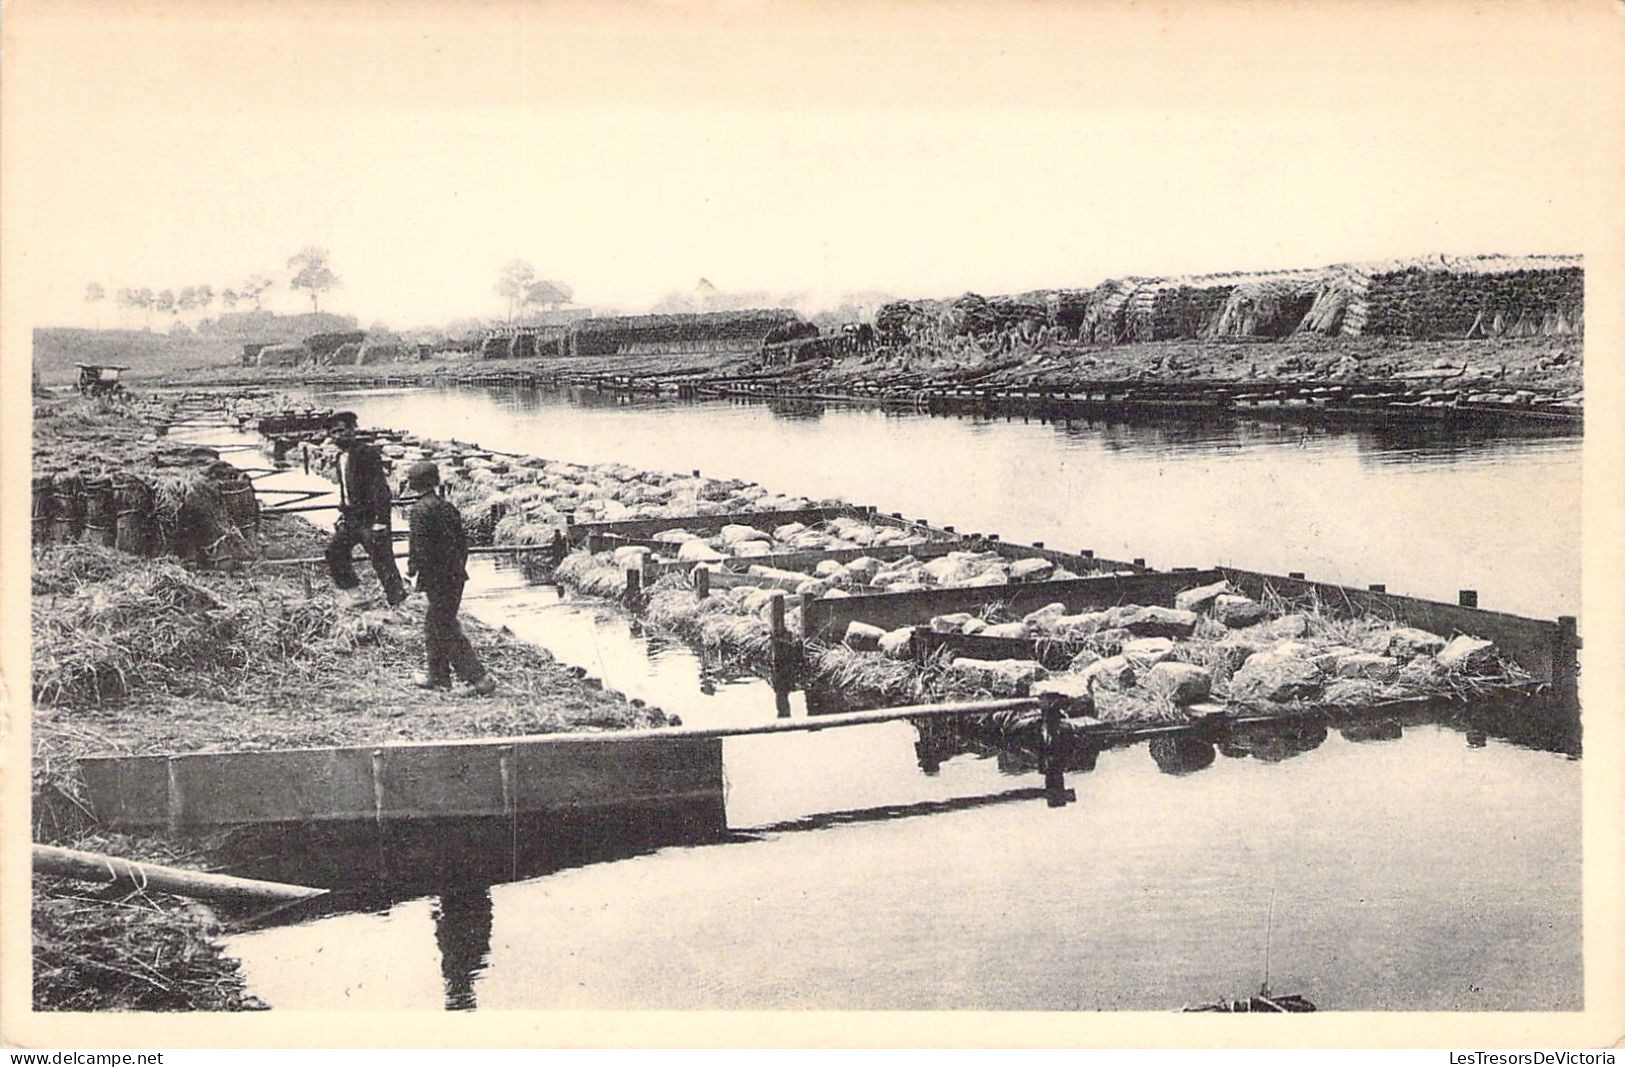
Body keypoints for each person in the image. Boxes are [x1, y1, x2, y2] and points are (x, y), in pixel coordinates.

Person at [405, 461, 496, 695]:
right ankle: (438, 677)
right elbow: (463, 544)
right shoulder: (448, 507)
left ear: (414, 485)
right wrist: (457, 567)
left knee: (443, 627)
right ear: (434, 482)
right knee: (434, 624)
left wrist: (412, 571)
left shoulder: (418, 510)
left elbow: (419, 547)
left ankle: (478, 678)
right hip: (455, 575)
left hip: (436, 579)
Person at [325, 426, 407, 606]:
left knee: (382, 559)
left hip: (370, 519)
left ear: (352, 431)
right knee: (334, 551)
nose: (339, 435)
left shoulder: (366, 454)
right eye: (334, 432)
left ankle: (398, 600)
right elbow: (346, 490)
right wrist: (343, 510)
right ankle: (355, 595)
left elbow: (380, 489)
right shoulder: (340, 458)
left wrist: (380, 521)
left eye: (342, 430)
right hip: (351, 519)